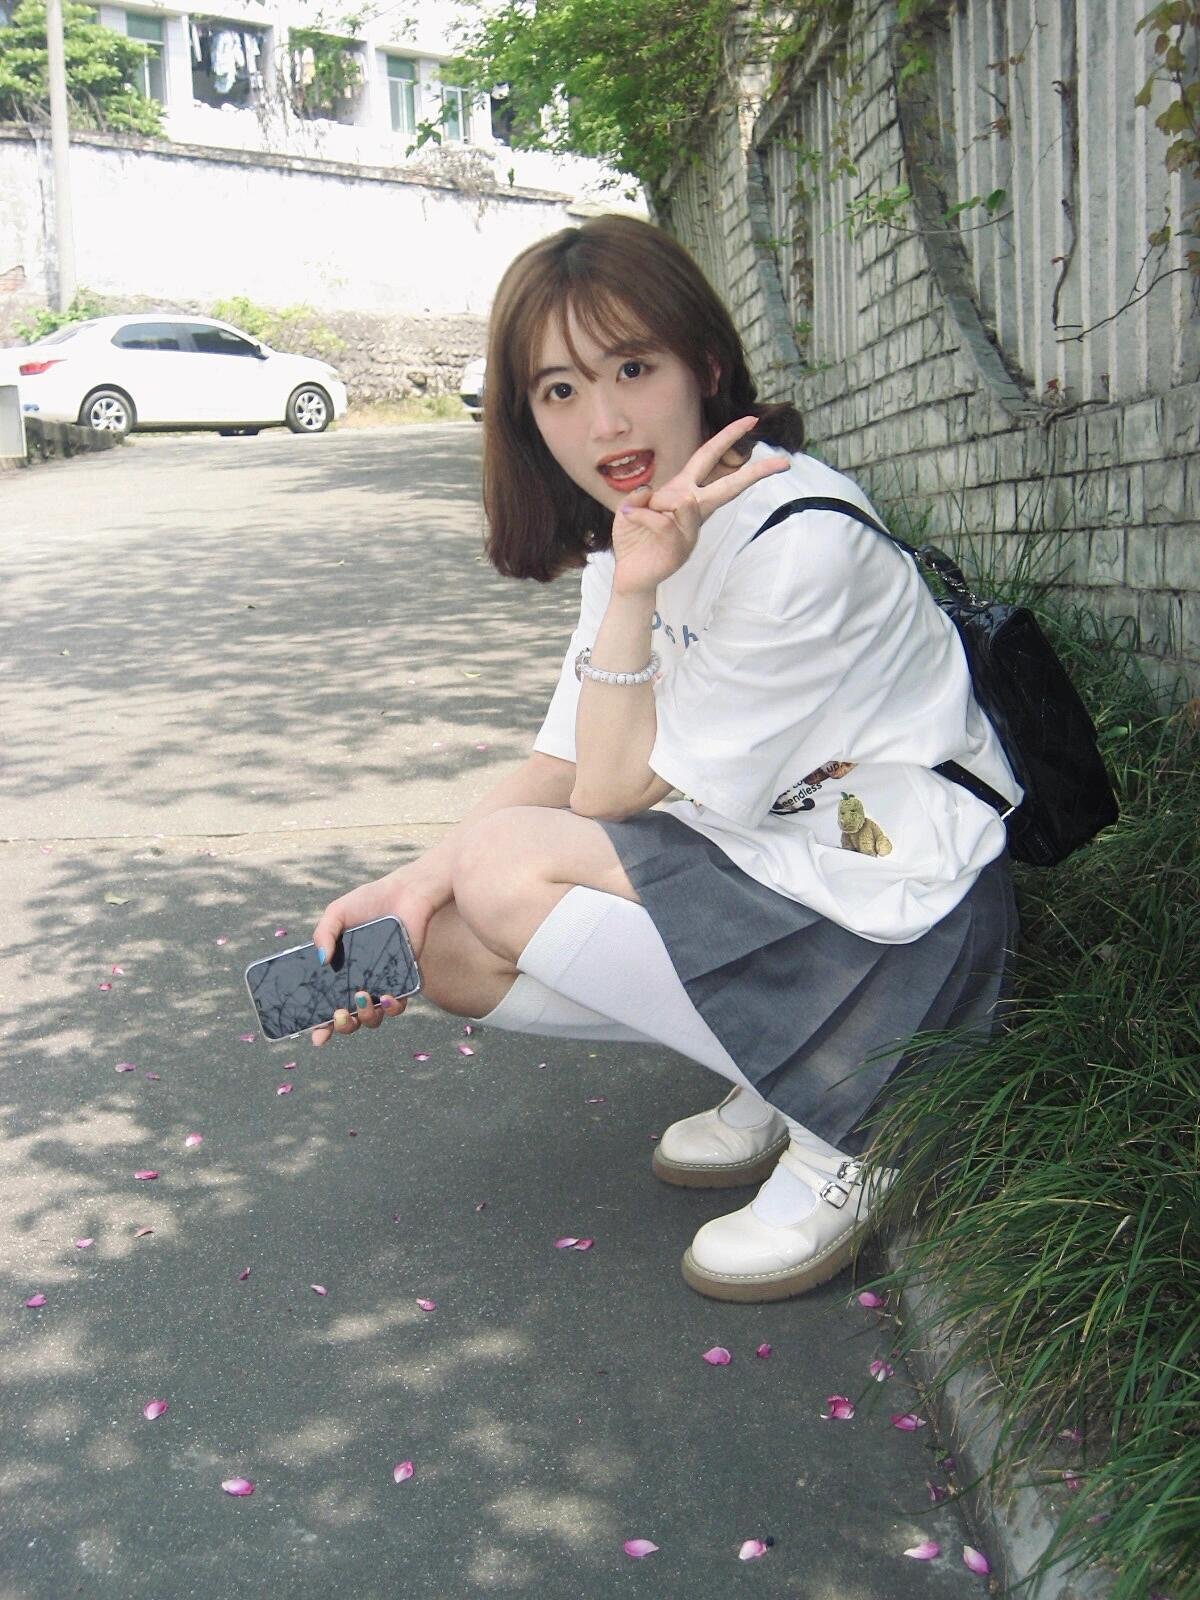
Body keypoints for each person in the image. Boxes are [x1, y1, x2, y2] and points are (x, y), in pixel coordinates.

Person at [308, 214, 1020, 1304]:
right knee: (443, 944)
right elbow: (561, 760)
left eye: (632, 369)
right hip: (779, 857)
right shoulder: (631, 530)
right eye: (559, 390)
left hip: (901, 900)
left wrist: (638, 590)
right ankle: (777, 1071)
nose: (604, 420)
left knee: (505, 868)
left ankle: (863, 1114)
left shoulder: (799, 541)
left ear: (708, 366)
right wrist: (407, 887)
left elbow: (605, 793)